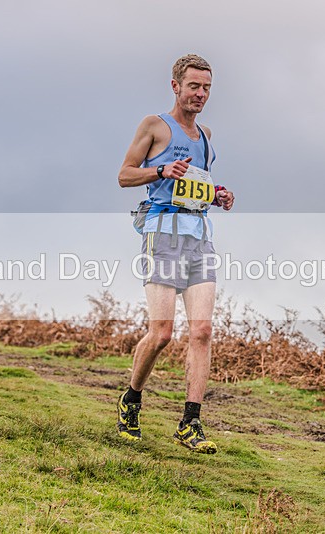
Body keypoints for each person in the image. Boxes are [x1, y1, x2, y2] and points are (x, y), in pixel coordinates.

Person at [116, 54, 235, 454]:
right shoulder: (155, 125)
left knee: (202, 331)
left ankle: (190, 422)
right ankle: (131, 400)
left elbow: (196, 187)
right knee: (163, 333)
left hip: (199, 236)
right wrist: (160, 172)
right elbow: (125, 175)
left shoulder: (206, 136)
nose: (200, 94)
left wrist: (217, 196)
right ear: (176, 86)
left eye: (206, 88)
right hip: (161, 234)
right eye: (193, 86)